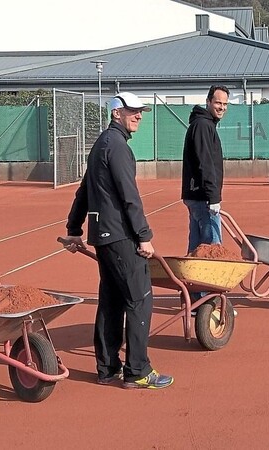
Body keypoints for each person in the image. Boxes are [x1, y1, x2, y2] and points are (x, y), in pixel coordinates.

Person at [62, 92, 173, 390]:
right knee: (139, 299)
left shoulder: (101, 145)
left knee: (111, 302)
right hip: (122, 236)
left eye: (140, 111)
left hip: (104, 237)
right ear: (116, 114)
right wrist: (144, 236)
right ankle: (137, 370)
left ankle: (107, 368)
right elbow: (129, 195)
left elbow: (84, 191)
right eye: (133, 111)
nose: (138, 115)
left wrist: (74, 228)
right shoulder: (119, 148)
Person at [181, 85, 229, 255]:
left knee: (197, 247)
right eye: (218, 103)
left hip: (198, 195)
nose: (222, 107)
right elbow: (205, 163)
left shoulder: (204, 124)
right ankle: (210, 280)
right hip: (203, 198)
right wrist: (213, 197)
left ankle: (191, 279)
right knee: (212, 248)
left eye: (225, 104)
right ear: (208, 102)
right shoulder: (203, 125)